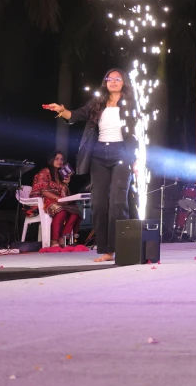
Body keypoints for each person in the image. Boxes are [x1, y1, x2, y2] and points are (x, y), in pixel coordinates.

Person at [43, 69, 137, 262]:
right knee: (99, 204)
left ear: (124, 82)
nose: (113, 81)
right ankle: (106, 250)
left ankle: (119, 247)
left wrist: (136, 159)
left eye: (117, 79)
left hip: (122, 154)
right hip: (99, 155)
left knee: (118, 204)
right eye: (109, 79)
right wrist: (61, 110)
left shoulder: (131, 105)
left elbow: (138, 134)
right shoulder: (97, 103)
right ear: (105, 82)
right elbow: (76, 115)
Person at [29, 152, 80, 247]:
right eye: (57, 159)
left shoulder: (61, 175)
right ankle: (54, 240)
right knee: (62, 211)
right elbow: (43, 191)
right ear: (51, 160)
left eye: (61, 159)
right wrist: (57, 198)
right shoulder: (45, 172)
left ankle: (63, 238)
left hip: (59, 200)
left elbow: (64, 194)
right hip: (46, 200)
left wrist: (66, 183)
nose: (60, 161)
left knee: (76, 212)